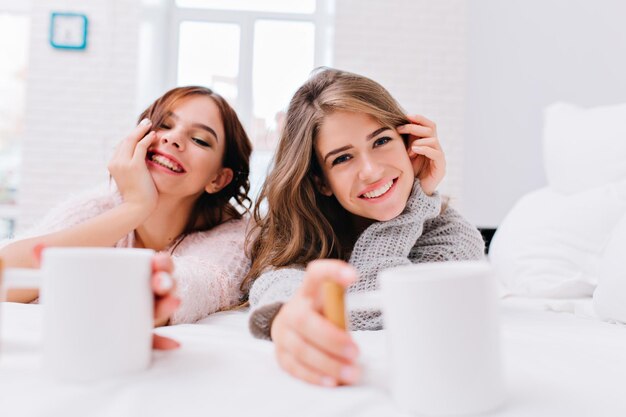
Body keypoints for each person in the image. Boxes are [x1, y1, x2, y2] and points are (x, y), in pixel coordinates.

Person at [244, 68, 485, 386]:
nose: (371, 171)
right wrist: (285, 317)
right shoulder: (305, 227)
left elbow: (372, 310)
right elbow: (277, 281)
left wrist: (413, 203)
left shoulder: (453, 237)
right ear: (321, 181)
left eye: (382, 140)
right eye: (343, 159)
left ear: (409, 143)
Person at [0, 86, 253, 348]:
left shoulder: (235, 237)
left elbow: (199, 284)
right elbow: (5, 273)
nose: (172, 138)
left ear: (218, 178)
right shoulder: (99, 204)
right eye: (164, 125)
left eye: (200, 140)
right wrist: (134, 208)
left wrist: (148, 300)